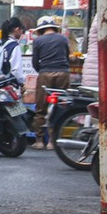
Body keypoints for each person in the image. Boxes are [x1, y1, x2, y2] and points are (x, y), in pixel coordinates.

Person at [30, 16, 71, 149]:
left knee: (41, 108)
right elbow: (67, 56)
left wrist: (42, 71)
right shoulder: (63, 39)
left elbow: (35, 62)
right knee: (60, 107)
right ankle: (53, 142)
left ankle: (40, 141)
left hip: (45, 74)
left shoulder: (38, 41)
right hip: (63, 74)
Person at [0, 17, 26, 85]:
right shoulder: (14, 45)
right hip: (8, 83)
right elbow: (16, 70)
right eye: (21, 30)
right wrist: (21, 83)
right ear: (17, 29)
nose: (22, 33)